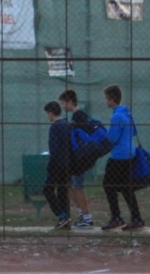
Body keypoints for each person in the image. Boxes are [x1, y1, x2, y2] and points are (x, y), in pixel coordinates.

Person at [100, 84, 145, 232]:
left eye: (106, 99)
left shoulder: (116, 116)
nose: (105, 102)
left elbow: (112, 138)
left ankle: (116, 217)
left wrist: (104, 138)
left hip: (119, 155)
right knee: (126, 187)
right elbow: (134, 131)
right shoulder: (127, 113)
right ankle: (137, 218)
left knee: (108, 184)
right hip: (130, 153)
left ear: (112, 99)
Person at [58, 89, 95, 228]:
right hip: (75, 159)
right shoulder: (76, 117)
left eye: (63, 103)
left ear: (70, 102)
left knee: (78, 187)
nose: (62, 106)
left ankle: (87, 217)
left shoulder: (79, 116)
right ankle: (82, 214)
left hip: (79, 159)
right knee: (70, 185)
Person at [43, 101, 73, 229]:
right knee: (62, 192)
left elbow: (54, 149)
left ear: (50, 112)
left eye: (47, 113)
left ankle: (62, 215)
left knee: (47, 190)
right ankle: (66, 221)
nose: (47, 116)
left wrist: (50, 165)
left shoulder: (54, 127)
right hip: (68, 163)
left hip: (57, 165)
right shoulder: (67, 124)